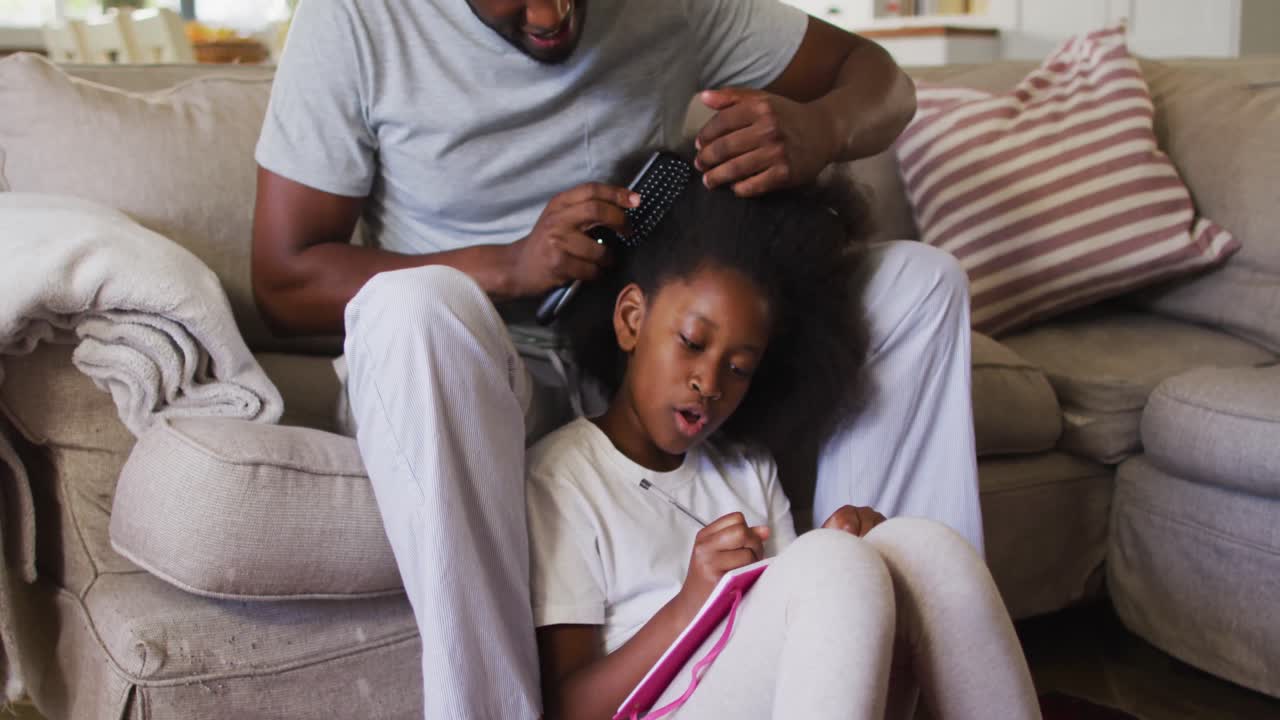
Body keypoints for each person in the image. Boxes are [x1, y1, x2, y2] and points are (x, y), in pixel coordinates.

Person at [251, 1, 981, 717]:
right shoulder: (354, 16)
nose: (549, 16)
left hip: (638, 349)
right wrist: (505, 265)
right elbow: (284, 279)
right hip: (471, 369)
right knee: (414, 308)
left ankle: (887, 644)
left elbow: (882, 78)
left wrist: (826, 126)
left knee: (922, 284)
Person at [528, 178, 1038, 720]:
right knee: (830, 564)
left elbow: (797, 603)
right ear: (632, 320)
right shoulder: (562, 476)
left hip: (765, 695)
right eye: (693, 344)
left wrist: (849, 546)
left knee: (919, 545)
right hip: (662, 707)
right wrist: (691, 605)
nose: (709, 380)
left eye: (739, 367)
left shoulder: (744, 465)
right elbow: (568, 707)